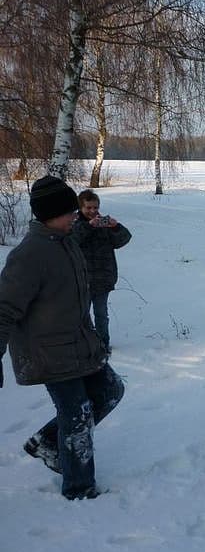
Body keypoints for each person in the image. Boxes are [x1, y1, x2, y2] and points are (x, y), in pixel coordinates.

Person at [0, 176, 125, 500]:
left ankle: (48, 442)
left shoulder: (66, 240)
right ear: (52, 213)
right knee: (77, 414)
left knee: (110, 389)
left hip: (79, 343)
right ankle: (79, 489)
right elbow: (4, 309)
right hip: (49, 352)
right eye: (70, 210)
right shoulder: (30, 255)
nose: (75, 215)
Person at [71, 189, 132, 352]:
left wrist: (115, 226)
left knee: (101, 315)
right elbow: (72, 241)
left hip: (103, 278)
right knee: (82, 316)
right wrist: (88, 227)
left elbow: (123, 240)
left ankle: (103, 344)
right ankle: (84, 345)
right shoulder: (74, 224)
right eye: (88, 208)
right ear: (81, 207)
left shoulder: (103, 224)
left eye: (95, 208)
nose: (92, 211)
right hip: (82, 281)